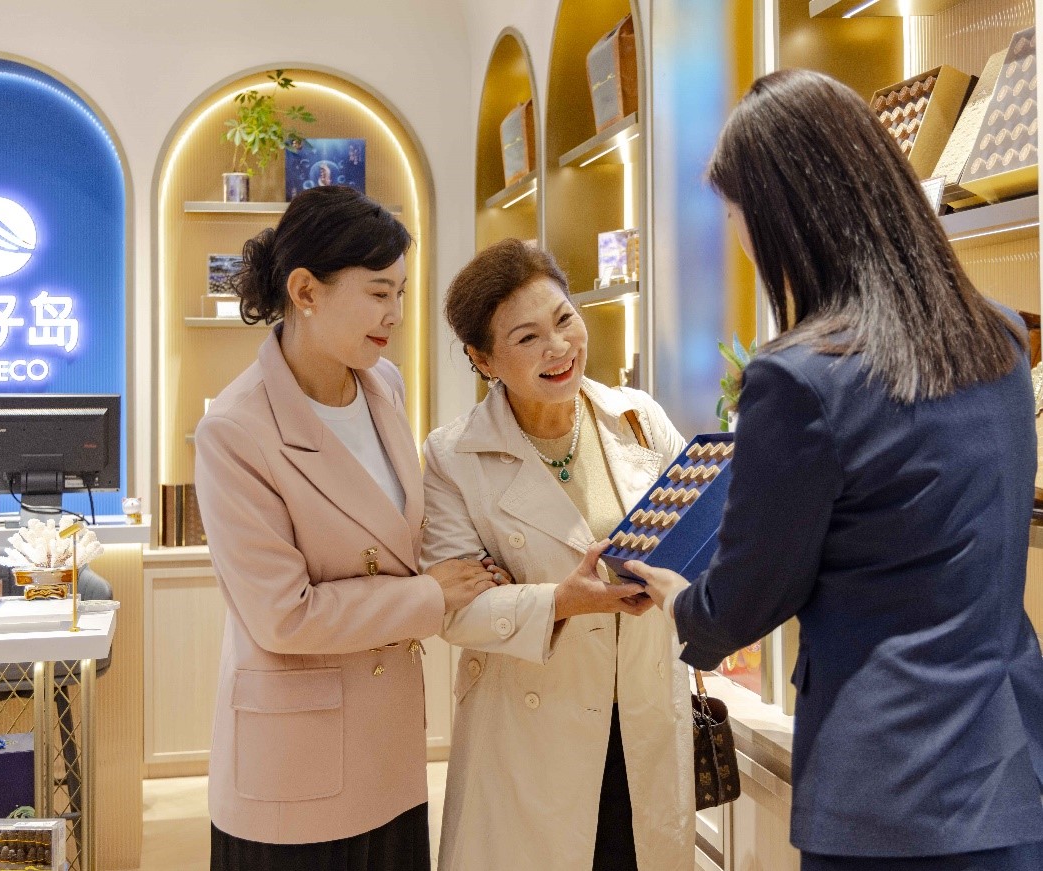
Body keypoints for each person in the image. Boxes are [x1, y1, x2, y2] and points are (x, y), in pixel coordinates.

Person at [629, 69, 1043, 871]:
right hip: (1012, 764)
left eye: (735, 213)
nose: (738, 236)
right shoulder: (1000, 335)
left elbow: (744, 598)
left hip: (887, 790)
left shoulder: (802, 378)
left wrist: (681, 600)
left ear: (780, 215)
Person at [194, 185, 501, 871]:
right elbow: (284, 616)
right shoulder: (235, 431)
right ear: (306, 290)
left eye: (401, 293)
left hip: (389, 749)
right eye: (378, 293)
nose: (396, 313)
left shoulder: (383, 384)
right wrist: (430, 596)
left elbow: (395, 537)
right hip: (294, 768)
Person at [421, 239, 696, 871]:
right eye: (527, 338)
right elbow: (455, 610)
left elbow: (693, 530)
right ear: (482, 359)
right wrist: (559, 602)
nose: (559, 347)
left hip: (642, 719)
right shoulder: (454, 456)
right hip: (533, 738)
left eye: (564, 319)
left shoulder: (637, 418)